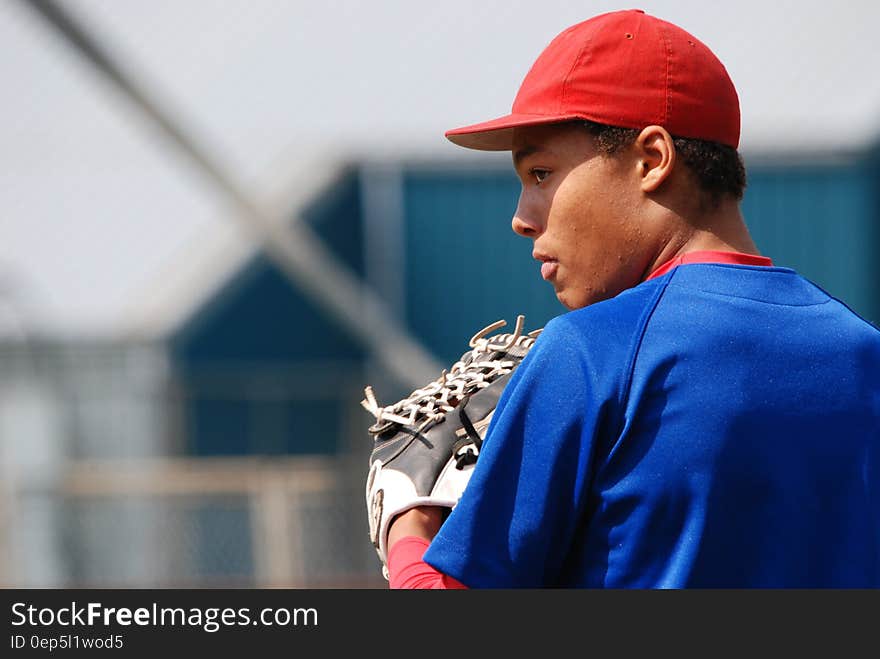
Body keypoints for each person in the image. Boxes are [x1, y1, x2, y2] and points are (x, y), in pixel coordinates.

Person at [383, 8, 880, 588]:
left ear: (651, 160)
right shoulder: (863, 353)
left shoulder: (594, 354)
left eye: (540, 173)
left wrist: (408, 523)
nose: (522, 218)